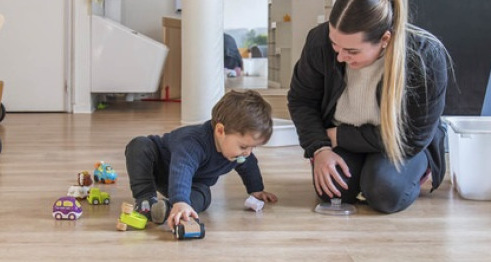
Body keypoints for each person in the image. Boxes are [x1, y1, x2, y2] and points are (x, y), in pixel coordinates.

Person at [287, 0, 452, 213]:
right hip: (342, 137)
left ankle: (412, 170)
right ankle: (361, 172)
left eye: (352, 51)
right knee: (333, 192)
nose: (340, 56)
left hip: (398, 142)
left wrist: (339, 136)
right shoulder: (318, 42)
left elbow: (412, 137)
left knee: (384, 191)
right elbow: (302, 100)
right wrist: (320, 149)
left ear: (385, 39)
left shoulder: (425, 55)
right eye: (334, 44)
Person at [124, 90, 279, 228]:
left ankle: (167, 209)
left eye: (253, 147)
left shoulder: (238, 153)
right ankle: (145, 199)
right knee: (139, 145)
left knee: (204, 195)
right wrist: (180, 199)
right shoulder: (193, 142)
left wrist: (256, 189)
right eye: (244, 147)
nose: (248, 153)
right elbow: (182, 168)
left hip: (193, 183)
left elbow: (249, 165)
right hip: (159, 167)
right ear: (220, 131)